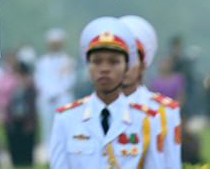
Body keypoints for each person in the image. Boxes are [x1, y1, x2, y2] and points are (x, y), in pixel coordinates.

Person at [48, 16, 165, 169]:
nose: (104, 69)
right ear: (88, 66)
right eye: (97, 61)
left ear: (126, 67)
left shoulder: (148, 120)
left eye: (113, 61)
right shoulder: (66, 119)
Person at [119, 14, 182, 168]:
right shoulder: (86, 112)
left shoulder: (164, 112)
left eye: (131, 59)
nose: (124, 66)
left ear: (143, 65)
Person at [35, 27, 76, 155]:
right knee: (47, 126)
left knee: (63, 126)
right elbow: (39, 80)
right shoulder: (42, 62)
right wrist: (49, 92)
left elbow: (69, 80)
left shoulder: (68, 61)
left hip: (62, 97)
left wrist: (57, 92)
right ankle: (48, 153)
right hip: (47, 98)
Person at [5, 60, 38, 167]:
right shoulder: (14, 87)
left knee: (26, 148)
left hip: (26, 120)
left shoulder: (30, 87)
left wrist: (31, 122)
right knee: (15, 147)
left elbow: (32, 106)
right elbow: (10, 104)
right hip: (15, 120)